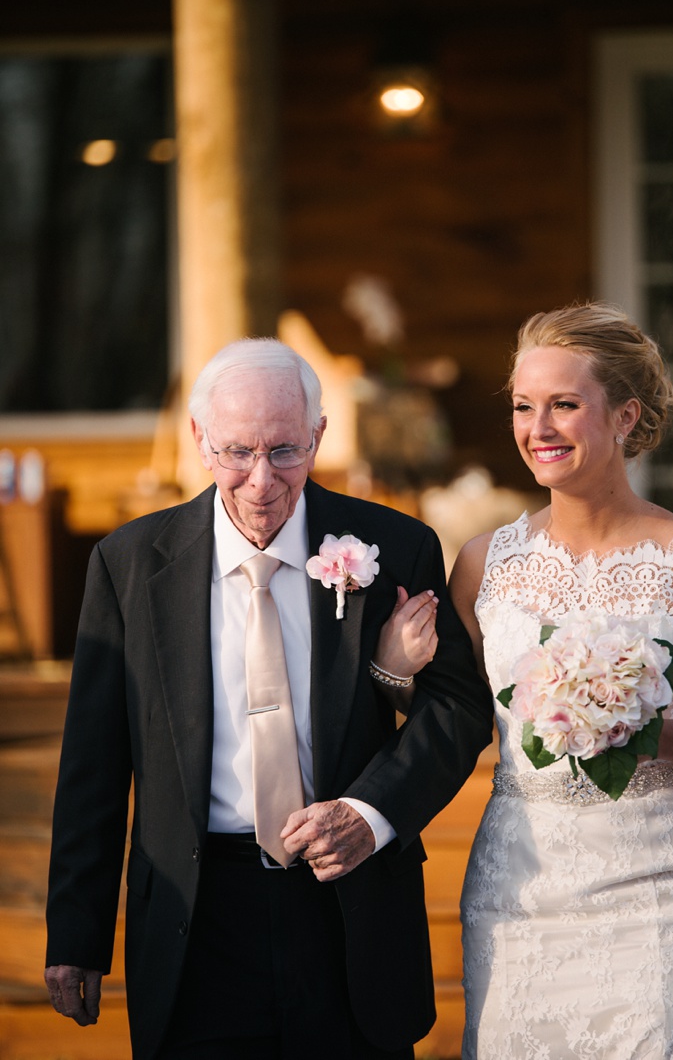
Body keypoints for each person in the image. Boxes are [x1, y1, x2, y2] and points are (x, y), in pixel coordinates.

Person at [44, 337, 494, 1060]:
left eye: (285, 451)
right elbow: (95, 762)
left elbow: (459, 709)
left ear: (318, 437)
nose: (260, 481)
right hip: (197, 919)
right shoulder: (127, 563)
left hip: (347, 914)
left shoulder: (394, 546)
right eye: (236, 453)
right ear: (199, 440)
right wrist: (76, 932)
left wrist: (369, 814)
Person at [429, 302, 673, 1058]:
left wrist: (647, 735)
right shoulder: (484, 565)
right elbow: (448, 715)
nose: (538, 428)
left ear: (624, 417)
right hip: (519, 892)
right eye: (525, 407)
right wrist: (392, 666)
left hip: (666, 885)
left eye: (564, 405)